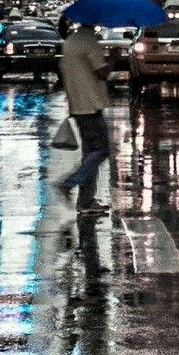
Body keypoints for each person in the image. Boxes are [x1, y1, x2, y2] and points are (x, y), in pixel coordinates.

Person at [54, 18, 113, 215]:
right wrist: (114, 58)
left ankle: (86, 202)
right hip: (91, 106)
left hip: (78, 105)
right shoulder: (89, 41)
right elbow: (102, 72)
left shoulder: (70, 41)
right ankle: (68, 183)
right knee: (102, 150)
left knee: (90, 155)